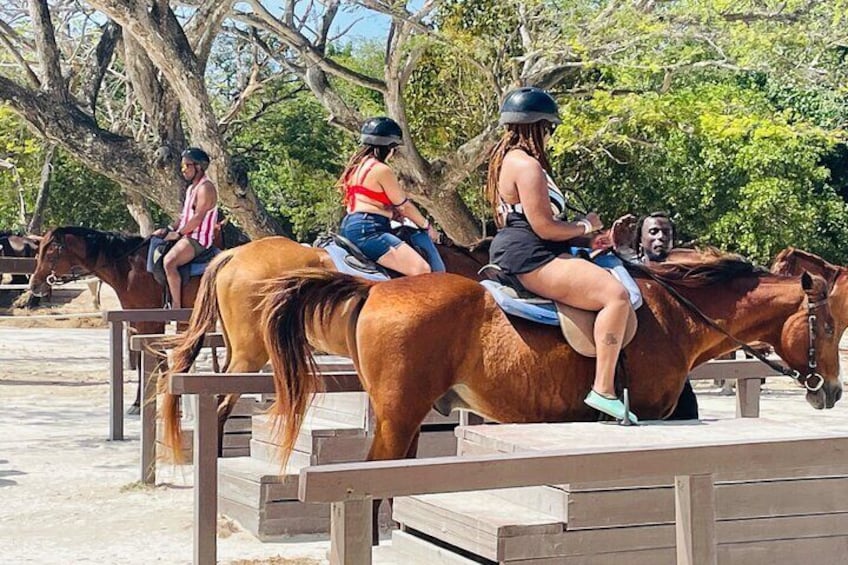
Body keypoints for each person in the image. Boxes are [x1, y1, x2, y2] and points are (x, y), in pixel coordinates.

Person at [486, 86, 638, 423]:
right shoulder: (527, 167)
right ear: (539, 126)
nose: (551, 136)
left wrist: (591, 242)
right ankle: (603, 388)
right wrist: (586, 225)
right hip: (531, 253)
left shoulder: (509, 161)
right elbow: (544, 228)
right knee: (616, 295)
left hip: (524, 246)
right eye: (550, 129)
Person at [614, 212, 699, 419]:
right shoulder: (629, 271)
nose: (660, 237)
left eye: (666, 232)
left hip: (675, 372)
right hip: (636, 371)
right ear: (641, 241)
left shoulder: (684, 275)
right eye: (653, 232)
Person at [338, 117, 442, 276]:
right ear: (389, 148)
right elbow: (405, 206)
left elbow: (370, 201)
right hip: (370, 228)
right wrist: (427, 227)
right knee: (422, 270)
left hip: (349, 225)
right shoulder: (381, 170)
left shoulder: (355, 168)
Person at [153, 147, 219, 309]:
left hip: (198, 239)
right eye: (182, 166)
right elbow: (184, 217)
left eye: (186, 166)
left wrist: (178, 234)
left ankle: (176, 306)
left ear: (198, 167)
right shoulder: (191, 189)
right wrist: (168, 229)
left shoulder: (206, 188)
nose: (183, 170)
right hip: (186, 236)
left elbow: (198, 218)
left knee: (169, 262)